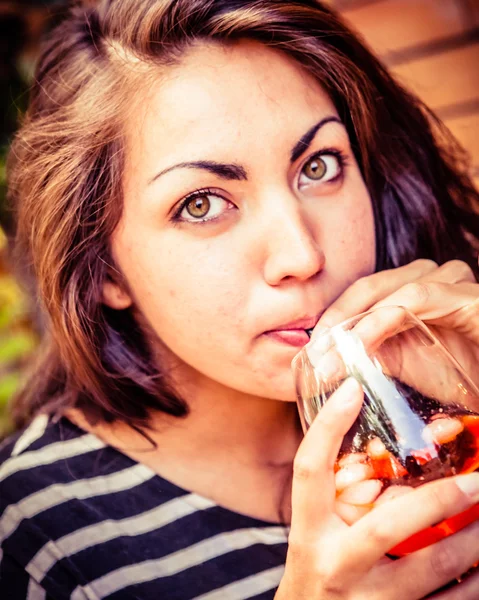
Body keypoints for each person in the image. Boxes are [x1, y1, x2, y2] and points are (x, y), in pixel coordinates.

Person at [1, 0, 479, 597]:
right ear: (103, 270)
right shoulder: (32, 531)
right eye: (201, 204)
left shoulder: (447, 412)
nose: (302, 255)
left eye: (320, 166)